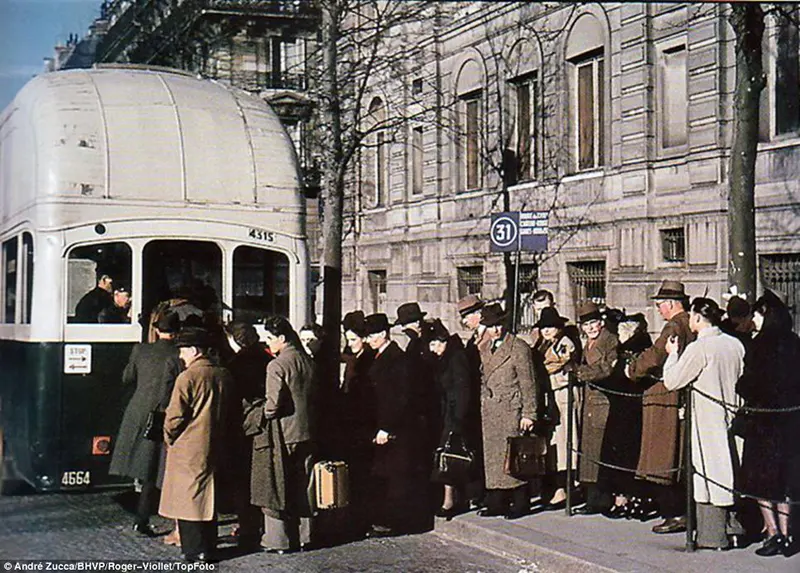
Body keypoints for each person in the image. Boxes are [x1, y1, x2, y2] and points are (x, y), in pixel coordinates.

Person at [662, 298, 745, 551]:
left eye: (691, 316)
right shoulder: (735, 344)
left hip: (707, 420)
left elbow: (672, 381)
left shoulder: (700, 348)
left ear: (698, 318)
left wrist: (672, 355)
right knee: (730, 469)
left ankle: (713, 535)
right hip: (733, 414)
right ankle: (734, 528)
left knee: (709, 474)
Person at [626, 279, 695, 535]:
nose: (658, 309)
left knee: (662, 457)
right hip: (679, 395)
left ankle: (675, 513)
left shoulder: (674, 326)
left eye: (660, 304)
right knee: (674, 456)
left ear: (670, 304)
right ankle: (679, 512)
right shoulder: (690, 322)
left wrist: (632, 369)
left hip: (666, 396)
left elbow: (656, 355)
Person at [158, 327, 231, 563]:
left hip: (188, 446)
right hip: (217, 443)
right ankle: (209, 547)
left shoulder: (187, 377)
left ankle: (194, 550)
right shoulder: (223, 374)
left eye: (183, 351)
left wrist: (169, 437)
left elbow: (174, 417)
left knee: (187, 502)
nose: (181, 356)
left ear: (193, 350)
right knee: (208, 499)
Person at [737, 290, 800, 557]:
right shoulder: (795, 342)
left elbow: (749, 384)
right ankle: (788, 534)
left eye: (757, 314)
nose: (754, 319)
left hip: (763, 422)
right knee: (785, 480)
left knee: (762, 481)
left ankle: (773, 532)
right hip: (791, 421)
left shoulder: (759, 345)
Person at [109, 311, 182, 536]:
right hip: (162, 413)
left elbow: (127, 378)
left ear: (157, 330)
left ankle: (142, 516)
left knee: (144, 466)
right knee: (155, 467)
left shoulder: (141, 350)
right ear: (177, 332)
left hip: (137, 411)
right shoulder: (179, 355)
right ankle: (149, 518)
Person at [250, 316, 317, 554]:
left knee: (276, 485)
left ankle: (277, 540)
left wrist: (263, 411)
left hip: (284, 433)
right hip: (307, 430)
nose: (267, 344)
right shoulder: (307, 360)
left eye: (269, 338)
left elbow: (272, 405)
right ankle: (305, 536)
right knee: (305, 484)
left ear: (281, 338)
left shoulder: (276, 365)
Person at [477, 303, 539, 520]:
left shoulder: (518, 347)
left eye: (498, 325)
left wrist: (529, 413)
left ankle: (520, 502)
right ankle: (497, 501)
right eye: (490, 326)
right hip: (491, 409)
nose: (495, 330)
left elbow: (528, 382)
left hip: (511, 409)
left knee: (513, 458)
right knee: (494, 458)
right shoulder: (484, 348)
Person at [363, 313, 415, 536]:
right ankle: (385, 519)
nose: (368, 339)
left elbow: (400, 397)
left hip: (392, 430)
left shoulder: (396, 358)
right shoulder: (382, 356)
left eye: (372, 335)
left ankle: (393, 523)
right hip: (381, 426)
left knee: (394, 478)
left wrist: (387, 427)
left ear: (383, 334)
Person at [222, 321, 272, 549]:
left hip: (241, 428)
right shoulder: (267, 359)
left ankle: (247, 528)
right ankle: (262, 524)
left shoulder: (234, 365)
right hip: (265, 426)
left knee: (242, 482)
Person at [574, 302, 619, 515]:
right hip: (590, 403)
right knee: (590, 452)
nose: (591, 328)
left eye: (594, 323)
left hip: (602, 402)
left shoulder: (609, 340)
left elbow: (608, 368)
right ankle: (592, 497)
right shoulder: (589, 344)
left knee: (599, 451)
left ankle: (601, 499)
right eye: (586, 324)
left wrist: (581, 372)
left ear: (601, 323)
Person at [530, 306, 577, 509]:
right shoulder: (542, 344)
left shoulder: (564, 343)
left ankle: (563, 489)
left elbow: (556, 362)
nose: (547, 330)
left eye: (550, 327)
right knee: (552, 444)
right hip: (549, 396)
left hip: (562, 395)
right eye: (543, 327)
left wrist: (538, 367)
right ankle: (554, 488)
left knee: (565, 441)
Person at [428, 319, 471, 520]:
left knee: (449, 458)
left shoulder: (456, 358)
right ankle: (455, 498)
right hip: (448, 413)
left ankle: (450, 500)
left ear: (443, 341)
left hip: (455, 415)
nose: (433, 349)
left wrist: (458, 420)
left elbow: (462, 390)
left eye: (435, 344)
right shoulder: (445, 357)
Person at [339, 310, 376, 538]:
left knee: (363, 474)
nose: (349, 344)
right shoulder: (350, 358)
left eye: (353, 339)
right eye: (347, 339)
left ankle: (361, 520)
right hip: (350, 422)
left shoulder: (367, 360)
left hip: (363, 422)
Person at [456, 294, 489, 507]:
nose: (464, 322)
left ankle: (484, 492)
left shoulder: (487, 338)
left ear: (478, 315)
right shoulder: (474, 337)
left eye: (467, 317)